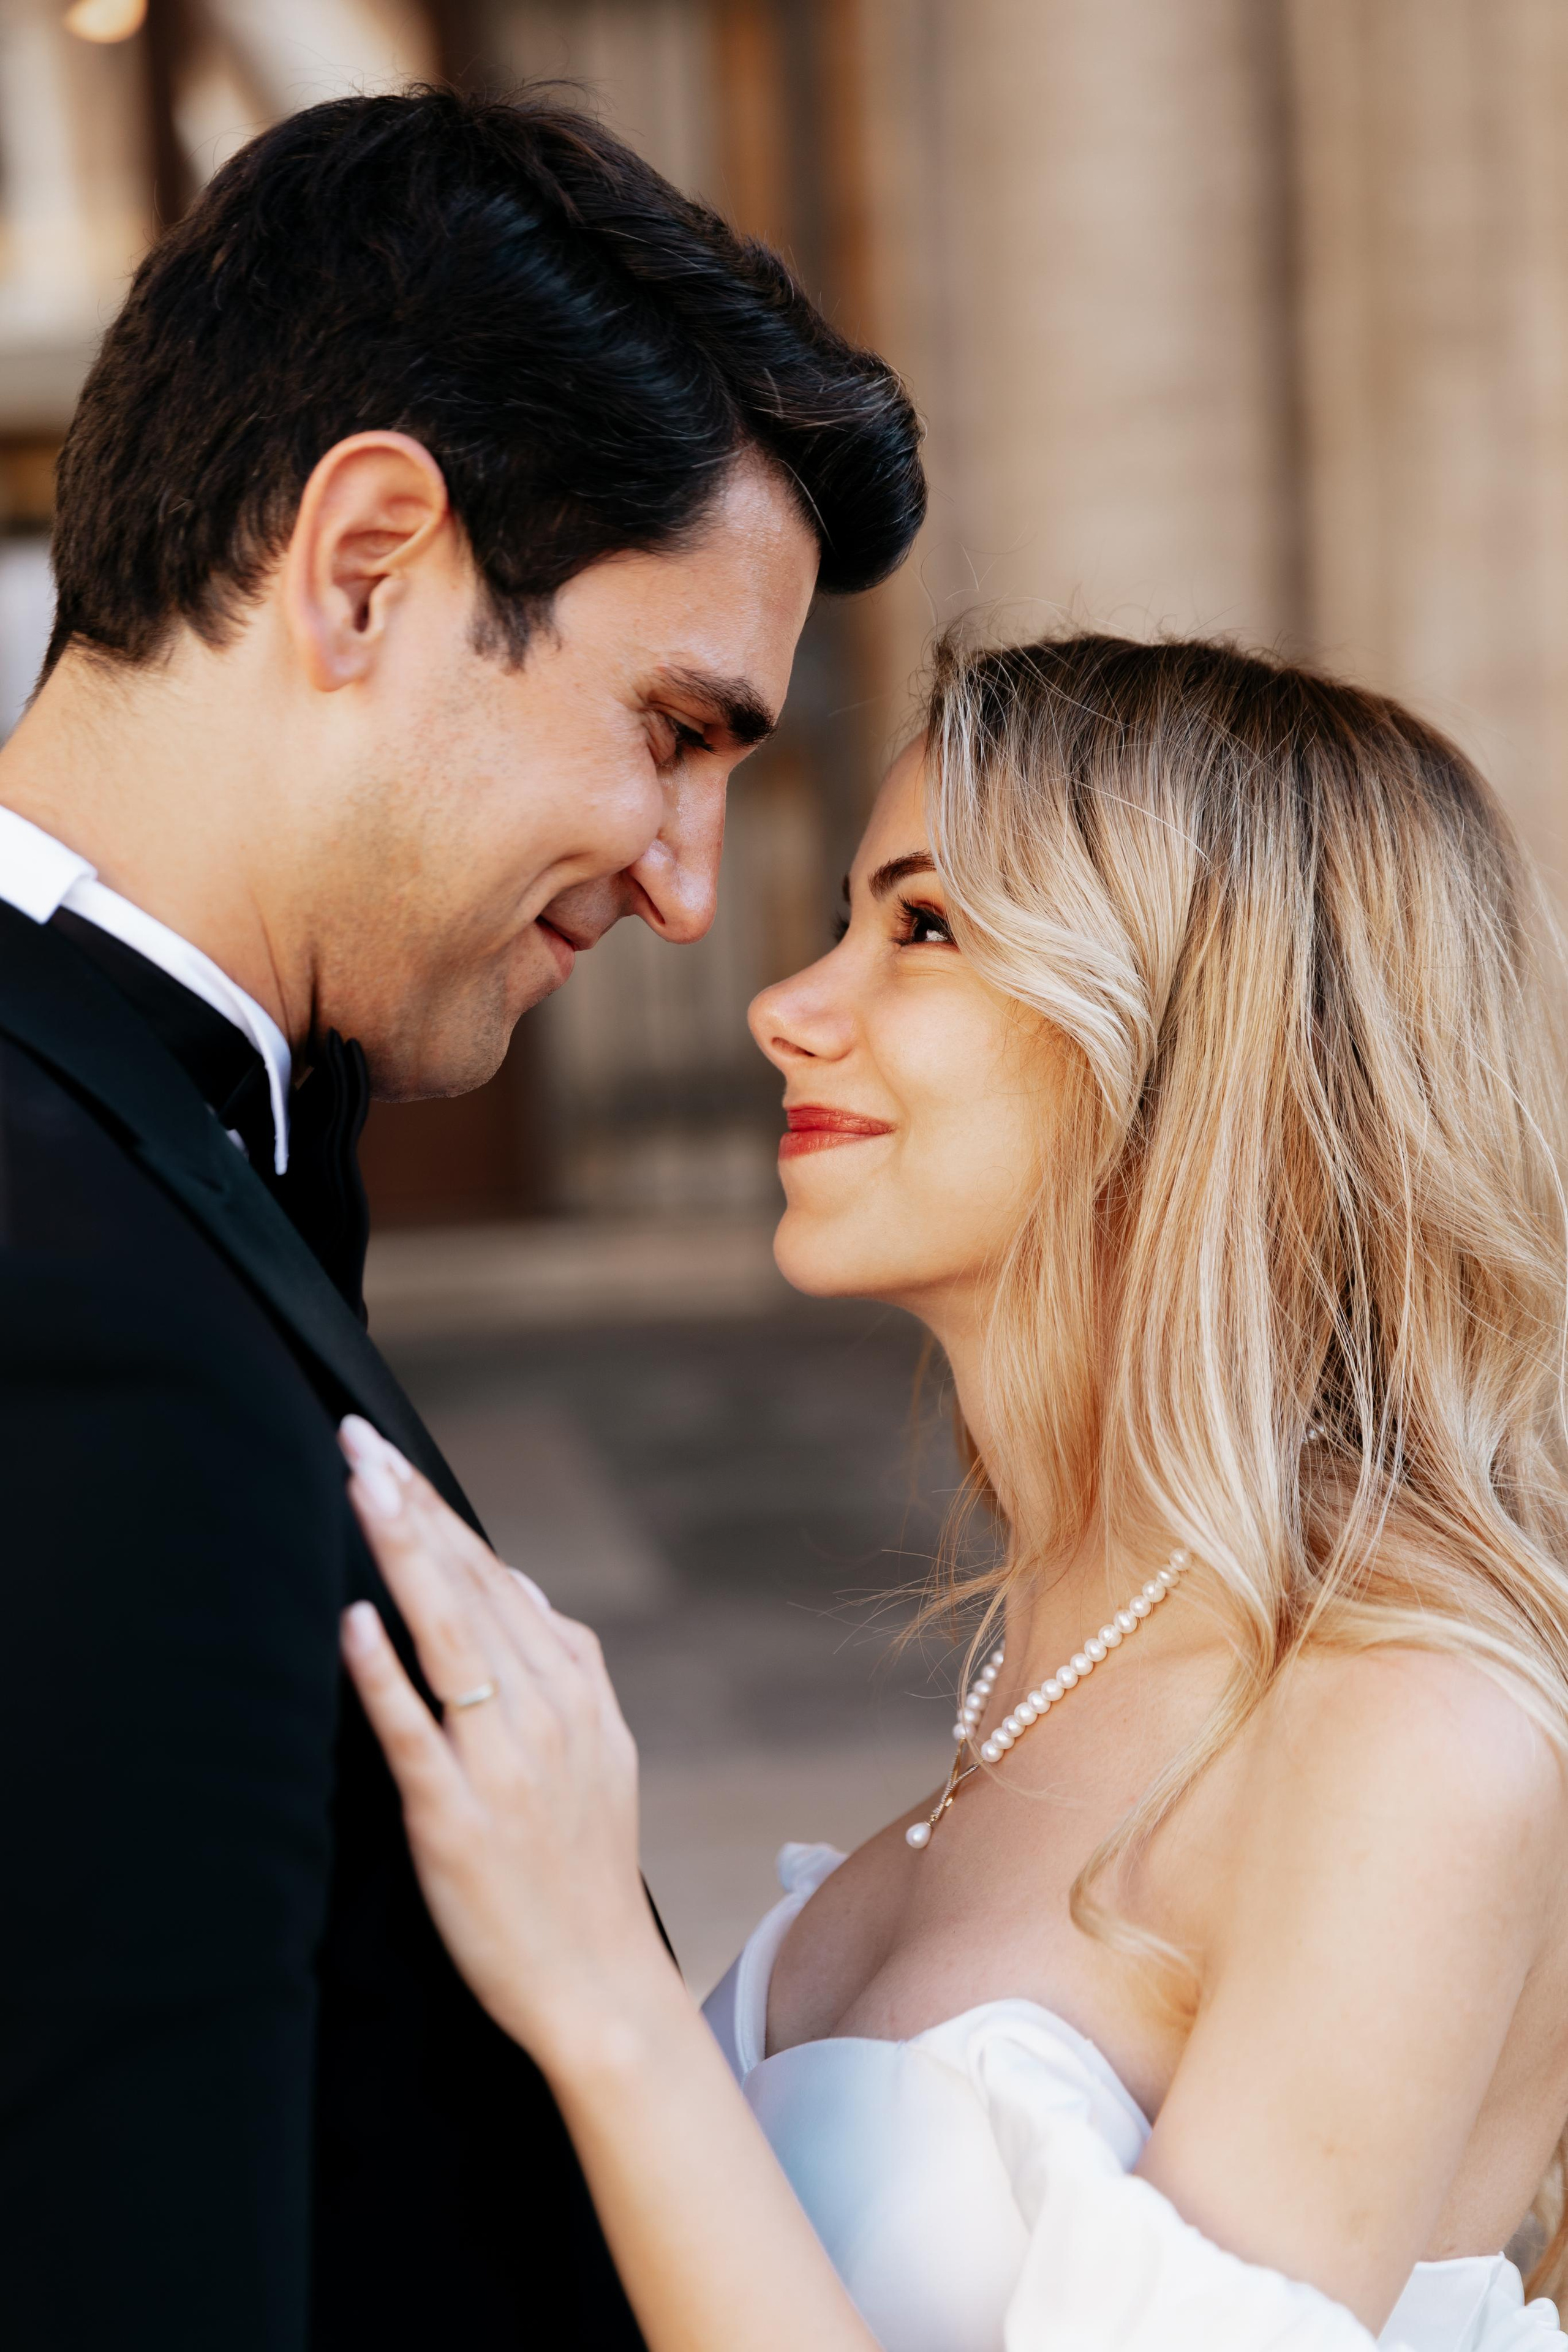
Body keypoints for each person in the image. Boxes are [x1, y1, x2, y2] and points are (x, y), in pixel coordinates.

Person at [341, 631, 1568, 2352]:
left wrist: (608, 2003)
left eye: (921, 927)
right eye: (851, 915)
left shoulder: (1408, 1729)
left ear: (1201, 1038)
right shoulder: (1046, 1681)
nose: (788, 1004)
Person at [0, 86, 923, 2352]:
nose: (693, 884)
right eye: (672, 728)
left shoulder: (164, 1137)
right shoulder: (72, 1301)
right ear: (368, 566)